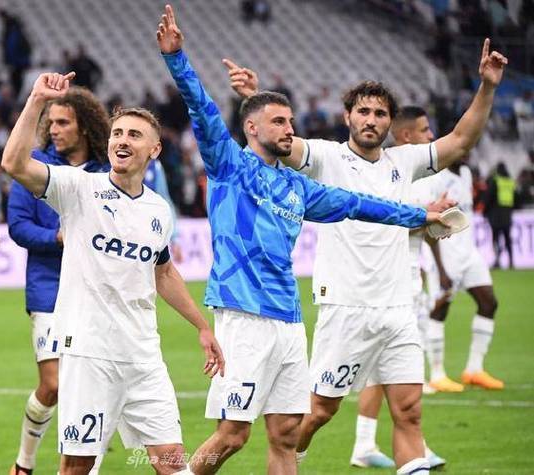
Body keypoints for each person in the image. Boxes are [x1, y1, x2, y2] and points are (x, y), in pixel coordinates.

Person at [157, 5, 453, 474]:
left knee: (286, 434)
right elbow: (201, 106)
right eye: (278, 122)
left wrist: (420, 213)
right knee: (233, 435)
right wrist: (177, 58)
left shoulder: (298, 187)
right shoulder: (229, 165)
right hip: (243, 313)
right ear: (252, 127)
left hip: (290, 320)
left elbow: (360, 204)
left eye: (291, 122)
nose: (289, 129)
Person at [226, 37, 507, 474]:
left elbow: (461, 140)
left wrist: (487, 86)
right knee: (320, 410)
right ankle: (288, 458)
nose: (371, 119)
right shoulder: (325, 156)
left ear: (390, 122)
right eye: (363, 111)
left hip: (397, 308)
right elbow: (279, 140)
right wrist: (255, 98)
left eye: (379, 113)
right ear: (348, 117)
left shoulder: (404, 161)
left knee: (409, 411)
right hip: (345, 308)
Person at [1, 70, 225, 475]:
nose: (122, 140)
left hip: (143, 354)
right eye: (117, 133)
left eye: (134, 135)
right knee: (78, 466)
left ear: (155, 149)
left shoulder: (158, 210)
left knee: (172, 462)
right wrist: (36, 101)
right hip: (90, 352)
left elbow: (163, 272)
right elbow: (13, 163)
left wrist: (201, 327)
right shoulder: (78, 188)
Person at [6, 87, 111, 475]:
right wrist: (58, 238)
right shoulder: (34, 166)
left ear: (84, 127)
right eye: (50, 122)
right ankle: (25, 461)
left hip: (95, 293)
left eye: (63, 122)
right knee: (53, 384)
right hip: (49, 288)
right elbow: (18, 226)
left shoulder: (106, 171)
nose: (53, 129)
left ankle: (85, 468)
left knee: (92, 385)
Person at [350, 106, 456, 470]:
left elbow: (421, 230)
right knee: (393, 369)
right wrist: (427, 216)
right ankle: (411, 446)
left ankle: (367, 444)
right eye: (425, 130)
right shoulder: (389, 173)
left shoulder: (418, 175)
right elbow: (382, 222)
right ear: (407, 135)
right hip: (388, 284)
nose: (431, 136)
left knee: (384, 369)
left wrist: (435, 223)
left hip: (406, 278)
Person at [427, 157, 504, 390]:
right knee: (439, 310)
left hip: (469, 252)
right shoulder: (437, 179)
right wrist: (440, 268)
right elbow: (429, 224)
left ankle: (474, 369)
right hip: (445, 253)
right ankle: (437, 374)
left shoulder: (466, 173)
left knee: (489, 303)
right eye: (463, 148)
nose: (467, 153)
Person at [485, 162, 516, 269]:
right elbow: (516, 197)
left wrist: (485, 211)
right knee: (508, 238)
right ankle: (511, 261)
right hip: (507, 214)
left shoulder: (496, 180)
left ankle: (497, 260)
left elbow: (489, 196)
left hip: (496, 214)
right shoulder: (510, 181)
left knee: (496, 238)